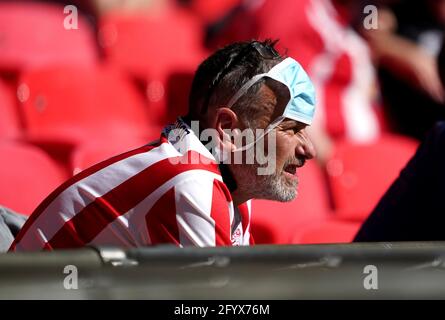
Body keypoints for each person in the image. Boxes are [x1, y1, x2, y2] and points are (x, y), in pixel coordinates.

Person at [10, 39, 316, 251]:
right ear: (227, 130)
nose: (309, 150)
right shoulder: (192, 181)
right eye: (291, 129)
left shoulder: (229, 185)